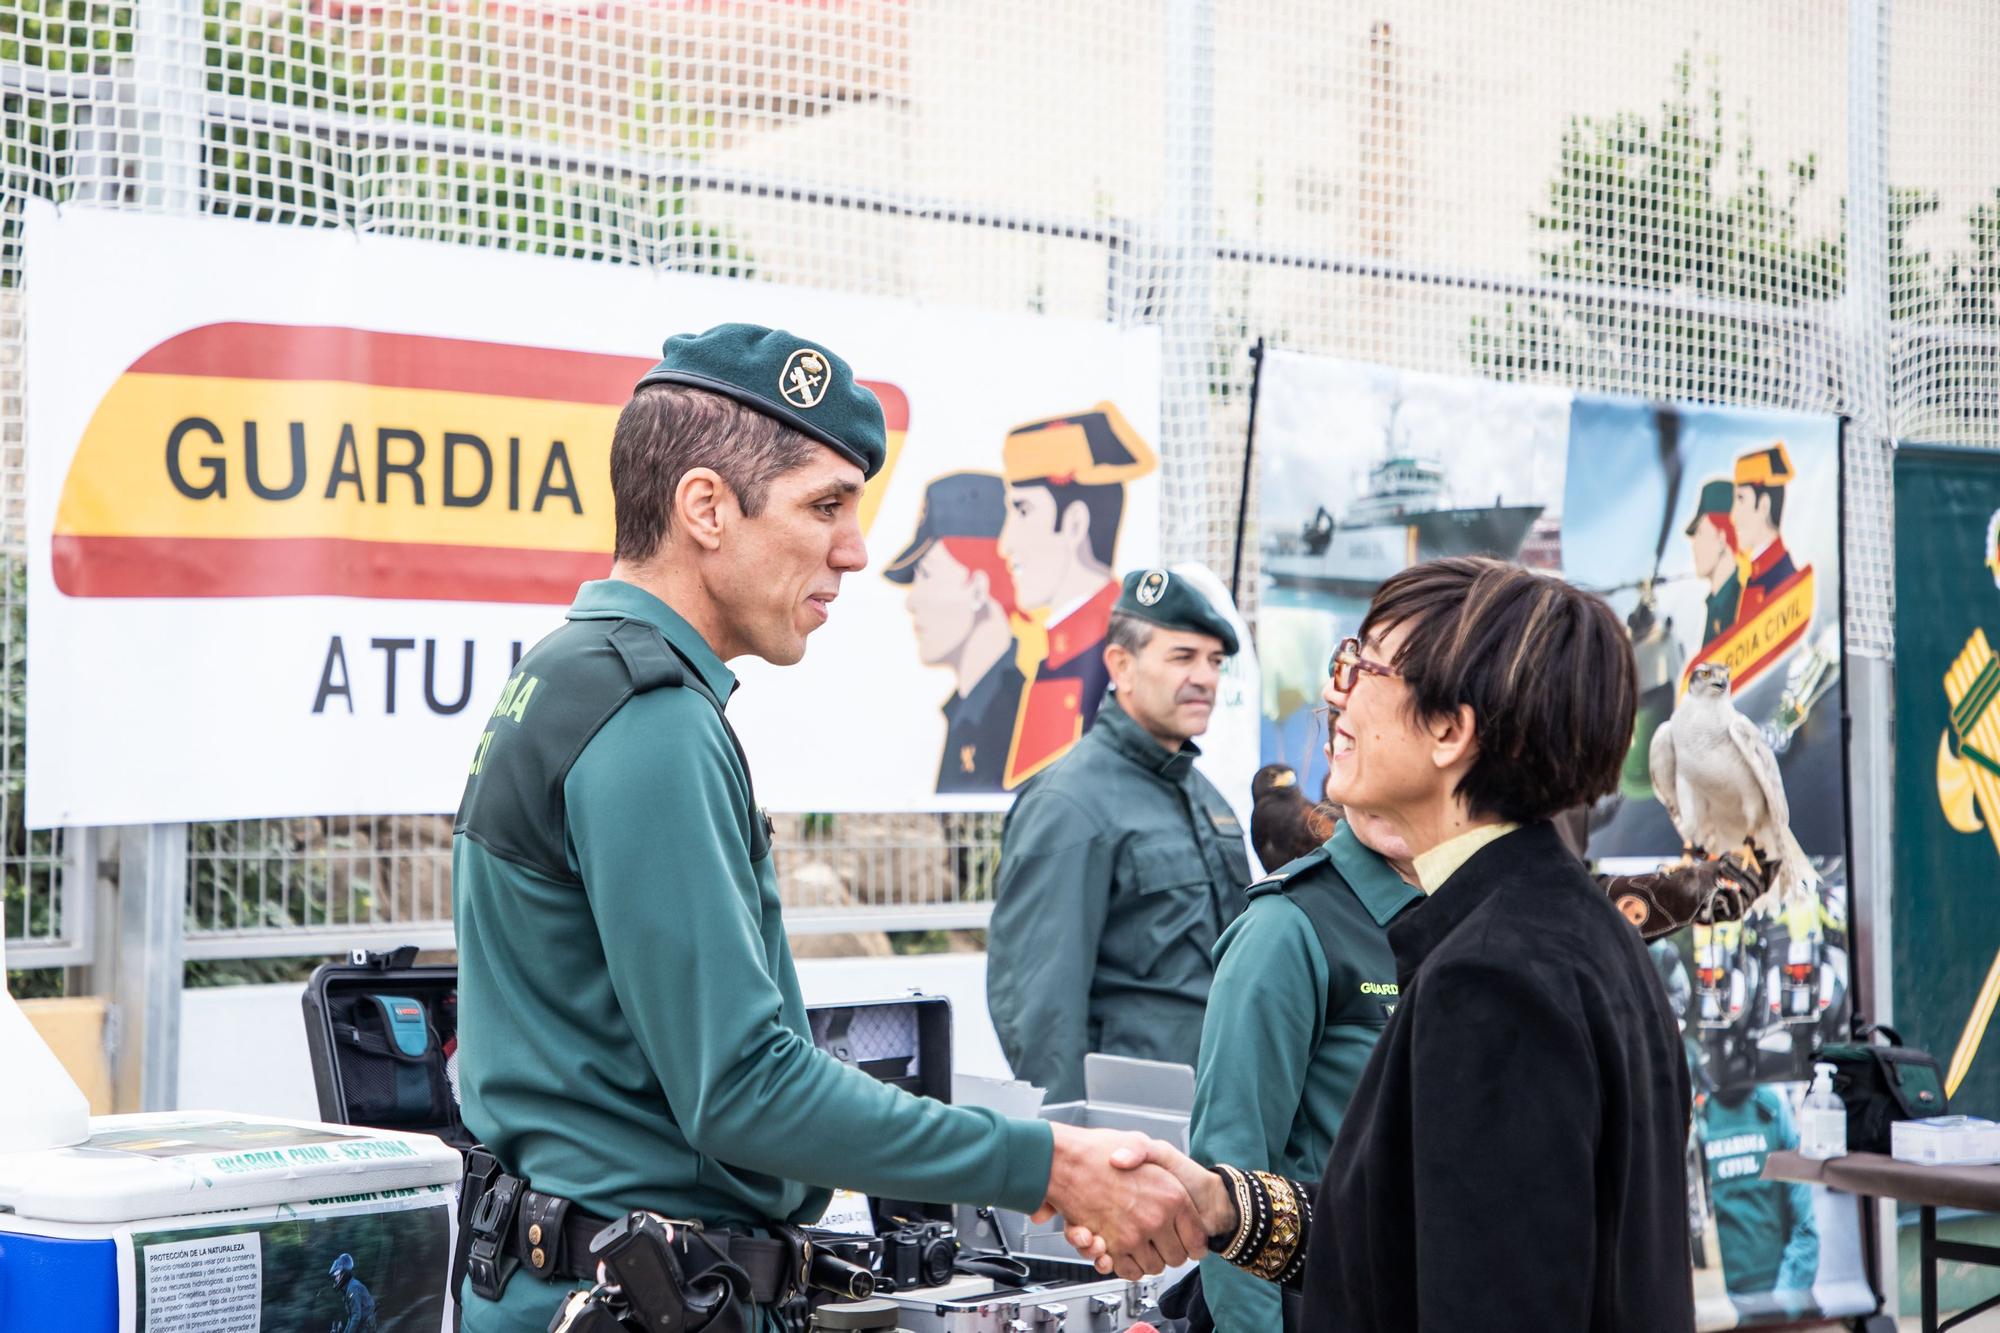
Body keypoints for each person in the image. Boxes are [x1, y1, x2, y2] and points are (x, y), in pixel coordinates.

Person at [451, 324, 1201, 1332]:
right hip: (642, 1294)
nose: (852, 550)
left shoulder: (574, 675)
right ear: (705, 508)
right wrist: (1044, 1163)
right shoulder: (649, 719)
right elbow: (744, 1091)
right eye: (823, 506)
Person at [1077, 556, 1697, 1333]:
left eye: (1362, 666)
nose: (1336, 693)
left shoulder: (1491, 977)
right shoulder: (1580, 934)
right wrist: (1229, 1206)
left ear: (1449, 730)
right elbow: (1417, 1240)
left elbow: (1491, 1302)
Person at [986, 566, 1251, 1102]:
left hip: (1215, 1113)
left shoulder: (1205, 797)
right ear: (1121, 666)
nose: (1205, 677)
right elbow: (1038, 1010)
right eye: (1182, 657)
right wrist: (1070, 1151)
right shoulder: (1070, 804)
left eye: (1215, 661)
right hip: (1134, 1128)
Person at [997, 404, 1156, 787]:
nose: (1005, 544)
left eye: (1022, 511)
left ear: (1075, 523)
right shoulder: (1054, 651)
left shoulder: (1120, 652)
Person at [883, 471, 1025, 793]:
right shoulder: (969, 709)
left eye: (926, 576)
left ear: (978, 589)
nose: (913, 601)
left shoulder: (1013, 714)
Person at [1697, 1082, 1820, 1319]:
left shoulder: (1770, 1108)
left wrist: (1783, 1304)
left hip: (1783, 1302)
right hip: (1732, 1303)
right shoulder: (1701, 1118)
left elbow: (1806, 1227)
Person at [1730, 443, 1798, 623]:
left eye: (1740, 499)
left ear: (1764, 505)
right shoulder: (1754, 577)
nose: (1733, 516)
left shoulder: (1782, 580)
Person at [1685, 477, 1743, 647]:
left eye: (1700, 533)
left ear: (1722, 538)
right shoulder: (1714, 605)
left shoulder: (1743, 597)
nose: (1693, 546)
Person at [329, 1253, 379, 1333]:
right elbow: (351, 1317)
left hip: (366, 1327)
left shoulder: (353, 1288)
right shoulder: (348, 1289)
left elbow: (356, 1317)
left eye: (337, 1273)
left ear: (344, 1272)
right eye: (334, 1275)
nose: (335, 1277)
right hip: (363, 1325)